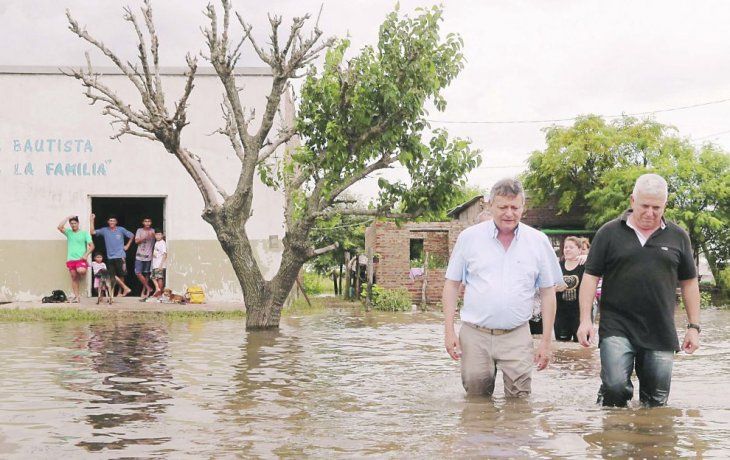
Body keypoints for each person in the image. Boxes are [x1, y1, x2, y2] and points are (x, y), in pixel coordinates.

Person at [577, 173, 701, 407]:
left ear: (665, 205)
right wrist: (585, 320)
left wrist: (693, 327)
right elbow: (590, 277)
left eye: (657, 207)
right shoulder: (609, 233)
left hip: (660, 329)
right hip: (616, 325)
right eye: (644, 206)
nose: (650, 213)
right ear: (632, 201)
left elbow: (689, 283)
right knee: (614, 387)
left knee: (655, 403)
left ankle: (647, 442)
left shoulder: (678, 236)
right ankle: (613, 435)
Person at [442, 178, 563, 397]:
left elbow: (547, 293)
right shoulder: (469, 238)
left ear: (523, 207)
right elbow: (451, 285)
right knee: (476, 398)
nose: (509, 213)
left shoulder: (538, 241)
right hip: (475, 333)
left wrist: (546, 342)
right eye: (503, 207)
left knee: (520, 399)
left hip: (517, 333)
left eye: (515, 207)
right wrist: (449, 330)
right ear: (490, 205)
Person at [90, 214, 134, 297]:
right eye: (110, 221)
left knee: (121, 275)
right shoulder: (104, 230)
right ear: (108, 222)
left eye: (113, 221)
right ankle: (119, 290)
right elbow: (92, 232)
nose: (112, 222)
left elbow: (131, 235)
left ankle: (120, 292)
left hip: (120, 255)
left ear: (116, 222)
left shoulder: (121, 229)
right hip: (110, 256)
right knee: (111, 276)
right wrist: (91, 220)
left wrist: (127, 246)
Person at [57, 215, 94, 303]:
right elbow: (59, 227)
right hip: (71, 259)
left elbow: (92, 246)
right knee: (74, 277)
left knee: (81, 271)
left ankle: (82, 272)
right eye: (71, 223)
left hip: (81, 259)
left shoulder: (84, 233)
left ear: (78, 223)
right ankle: (77, 297)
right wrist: (67, 218)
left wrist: (86, 255)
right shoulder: (69, 232)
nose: (73, 225)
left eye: (75, 223)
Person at [554, 236, 585, 342]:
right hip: (561, 313)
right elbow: (547, 287)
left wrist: (587, 257)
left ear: (579, 250)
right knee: (561, 346)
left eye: (571, 247)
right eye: (565, 247)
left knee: (582, 346)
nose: (567, 249)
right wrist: (556, 289)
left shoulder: (585, 265)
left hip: (579, 312)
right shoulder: (558, 266)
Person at [134, 218, 156, 298]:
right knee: (138, 273)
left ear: (151, 222)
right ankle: (148, 288)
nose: (147, 223)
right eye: (146, 221)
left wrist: (153, 235)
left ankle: (145, 291)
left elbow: (161, 237)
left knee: (147, 274)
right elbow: (136, 241)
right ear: (143, 222)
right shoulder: (139, 230)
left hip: (149, 256)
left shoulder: (153, 231)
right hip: (139, 256)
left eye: (149, 221)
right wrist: (145, 237)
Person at [150, 231, 168, 298]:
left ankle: (159, 293)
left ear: (162, 235)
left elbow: (165, 254)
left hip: (160, 264)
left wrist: (161, 265)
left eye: (159, 234)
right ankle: (158, 289)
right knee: (153, 277)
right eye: (156, 234)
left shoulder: (162, 243)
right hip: (155, 264)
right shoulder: (157, 242)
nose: (158, 236)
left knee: (159, 278)